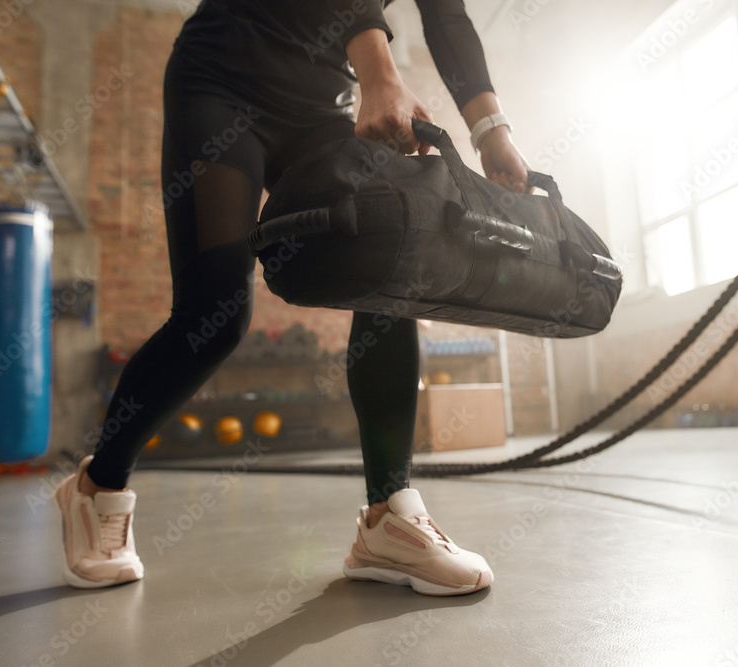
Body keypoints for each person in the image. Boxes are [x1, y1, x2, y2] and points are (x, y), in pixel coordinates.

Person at [54, 0, 531, 595]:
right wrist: (381, 78)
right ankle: (97, 487)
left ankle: (388, 518)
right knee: (216, 315)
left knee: (387, 267)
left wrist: (492, 133)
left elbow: (448, 18)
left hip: (317, 107)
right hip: (222, 80)